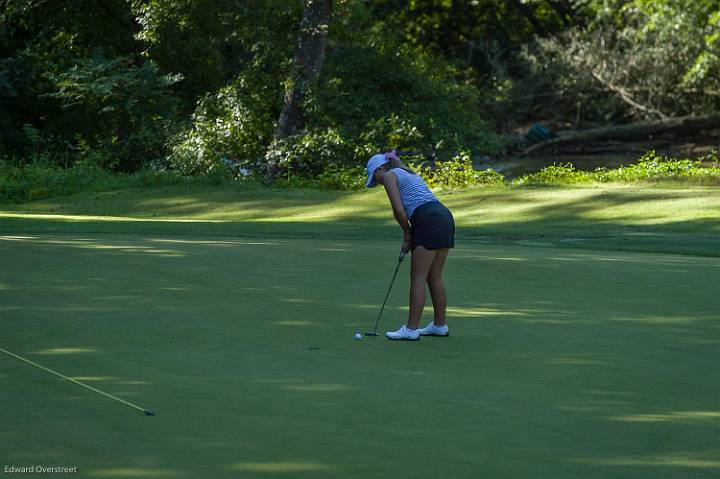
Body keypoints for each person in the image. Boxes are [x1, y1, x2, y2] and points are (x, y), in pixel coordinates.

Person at [365, 150, 455, 340]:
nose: (379, 182)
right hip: (444, 217)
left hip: (427, 219)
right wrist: (410, 234)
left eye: (376, 177)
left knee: (418, 277)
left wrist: (407, 234)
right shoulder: (407, 172)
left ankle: (411, 329)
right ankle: (440, 325)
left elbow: (399, 210)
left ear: (381, 168)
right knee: (434, 277)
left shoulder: (390, 175)